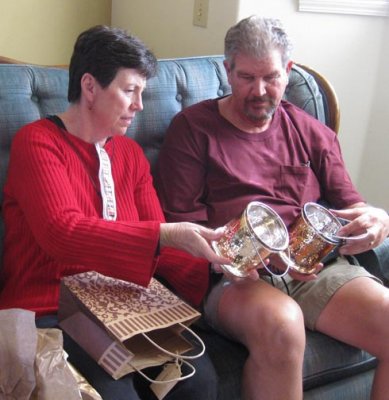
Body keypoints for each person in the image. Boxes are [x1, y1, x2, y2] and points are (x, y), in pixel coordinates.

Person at [156, 15, 389, 400]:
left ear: (289, 72)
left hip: (316, 269)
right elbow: (183, 231)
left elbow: (353, 206)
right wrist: (237, 258)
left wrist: (378, 218)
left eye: (271, 77)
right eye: (247, 77)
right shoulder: (193, 130)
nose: (259, 90)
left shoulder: (311, 131)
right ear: (228, 71)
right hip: (232, 276)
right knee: (282, 324)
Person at [0, 25, 229, 400]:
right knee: (114, 394)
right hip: (49, 309)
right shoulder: (37, 143)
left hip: (124, 311)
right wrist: (164, 234)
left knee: (197, 382)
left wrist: (220, 260)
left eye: (142, 92)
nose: (139, 105)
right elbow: (63, 233)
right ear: (90, 87)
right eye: (129, 91)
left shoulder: (130, 155)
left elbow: (164, 249)